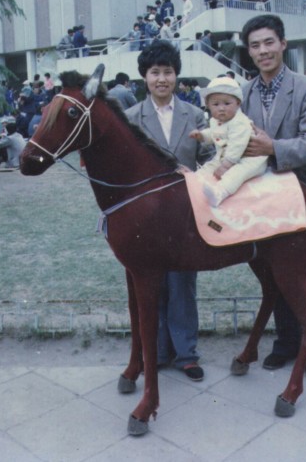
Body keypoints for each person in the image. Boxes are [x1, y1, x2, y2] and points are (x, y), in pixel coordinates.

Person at [240, 14, 306, 379]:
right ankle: (286, 342)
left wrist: (272, 147)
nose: (263, 51)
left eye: (269, 42)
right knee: (277, 272)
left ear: (283, 44)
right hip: (266, 199)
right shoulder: (243, 93)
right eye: (255, 45)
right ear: (249, 51)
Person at [126, 40, 213, 381]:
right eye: (154, 72)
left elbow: (211, 158)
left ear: (177, 75)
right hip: (145, 218)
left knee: (182, 283)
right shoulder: (131, 118)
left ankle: (187, 354)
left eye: (168, 72)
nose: (162, 79)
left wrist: (198, 175)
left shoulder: (195, 115)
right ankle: (158, 351)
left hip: (185, 215)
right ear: (144, 77)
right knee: (151, 284)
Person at [190, 77, 267, 207]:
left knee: (236, 174)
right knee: (208, 167)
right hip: (225, 157)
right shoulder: (215, 121)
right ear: (208, 105)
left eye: (227, 104)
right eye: (215, 104)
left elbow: (237, 145)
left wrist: (226, 166)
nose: (221, 108)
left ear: (238, 103)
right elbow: (214, 133)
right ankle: (195, 182)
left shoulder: (240, 122)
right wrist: (202, 136)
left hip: (249, 159)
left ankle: (220, 193)